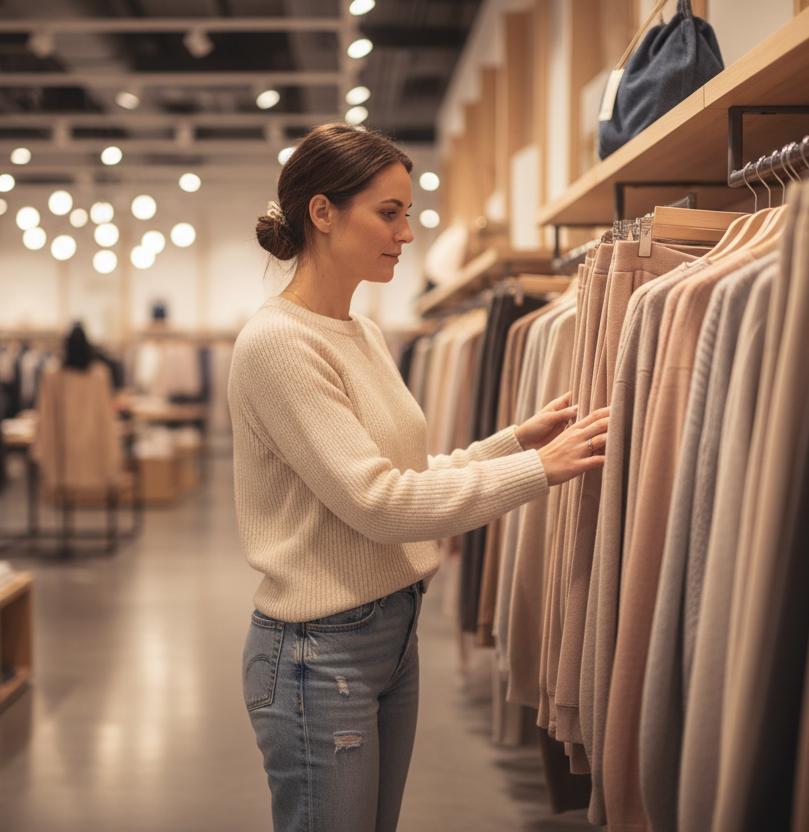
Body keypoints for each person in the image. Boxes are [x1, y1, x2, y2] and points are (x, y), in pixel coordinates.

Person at [228, 122, 609, 832]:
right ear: (322, 212)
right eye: (389, 212)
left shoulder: (363, 332)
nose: (407, 234)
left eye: (408, 213)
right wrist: (536, 471)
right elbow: (380, 504)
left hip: (389, 631)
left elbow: (399, 476)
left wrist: (510, 444)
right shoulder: (279, 343)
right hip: (319, 652)